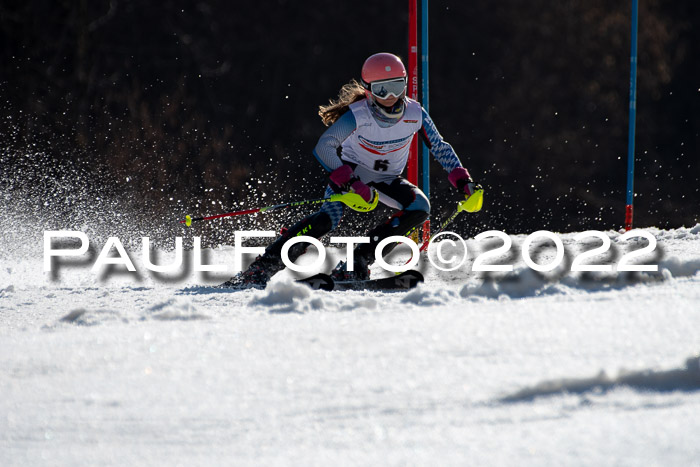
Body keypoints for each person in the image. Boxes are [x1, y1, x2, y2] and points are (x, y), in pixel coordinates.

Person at [225, 52, 480, 288]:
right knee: (326, 220)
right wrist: (353, 184)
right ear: (369, 91)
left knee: (420, 208)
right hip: (352, 176)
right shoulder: (358, 114)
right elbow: (324, 147)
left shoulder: (415, 113)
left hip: (387, 179)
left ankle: (356, 262)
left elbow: (439, 146)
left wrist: (463, 182)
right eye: (382, 90)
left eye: (397, 87)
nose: (391, 97)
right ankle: (261, 268)